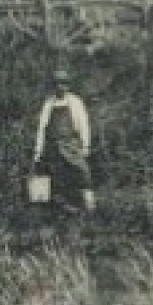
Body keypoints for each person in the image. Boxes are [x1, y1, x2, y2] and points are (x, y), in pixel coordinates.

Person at [33, 65, 93, 211]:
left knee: (82, 172)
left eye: (64, 83)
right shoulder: (48, 104)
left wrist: (85, 145)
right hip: (54, 147)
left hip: (71, 144)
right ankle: (63, 209)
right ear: (53, 86)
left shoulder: (75, 102)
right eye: (57, 84)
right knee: (57, 177)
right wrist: (38, 150)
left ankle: (89, 206)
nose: (61, 87)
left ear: (68, 85)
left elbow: (83, 124)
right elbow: (42, 128)